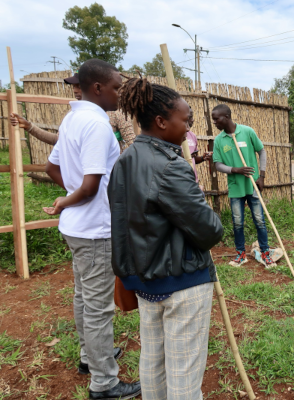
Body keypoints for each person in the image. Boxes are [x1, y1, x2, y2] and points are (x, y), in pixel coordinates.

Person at [108, 77, 224, 400]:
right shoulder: (171, 167)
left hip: (145, 281)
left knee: (153, 362)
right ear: (161, 121)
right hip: (181, 283)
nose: (188, 129)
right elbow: (210, 230)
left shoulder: (124, 160)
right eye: (185, 121)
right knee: (184, 374)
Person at [42, 59, 141, 400]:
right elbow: (90, 186)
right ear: (97, 88)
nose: (119, 94)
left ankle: (90, 356)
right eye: (116, 87)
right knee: (99, 307)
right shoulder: (97, 125)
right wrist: (69, 199)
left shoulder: (72, 119)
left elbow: (51, 167)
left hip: (76, 228)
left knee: (83, 296)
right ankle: (104, 383)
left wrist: (69, 196)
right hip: (96, 228)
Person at [211, 104, 275, 267]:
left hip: (252, 185)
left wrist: (262, 176)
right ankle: (241, 254)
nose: (214, 122)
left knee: (260, 220)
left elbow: (262, 151)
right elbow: (218, 164)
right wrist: (235, 170)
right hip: (235, 187)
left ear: (226, 117)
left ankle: (265, 253)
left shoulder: (247, 132)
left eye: (216, 119)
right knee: (238, 222)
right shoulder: (219, 140)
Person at [9, 72, 136, 152]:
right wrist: (29, 127)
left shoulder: (115, 113)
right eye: (74, 86)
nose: (75, 90)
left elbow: (132, 144)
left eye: (79, 86)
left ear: (95, 88)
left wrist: (119, 165)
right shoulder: (72, 115)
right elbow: (58, 141)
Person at [185, 109, 212, 183]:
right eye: (190, 117)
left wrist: (202, 158)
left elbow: (193, 159)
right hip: (180, 180)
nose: (193, 120)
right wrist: (186, 156)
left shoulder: (192, 135)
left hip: (193, 180)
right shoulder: (172, 136)